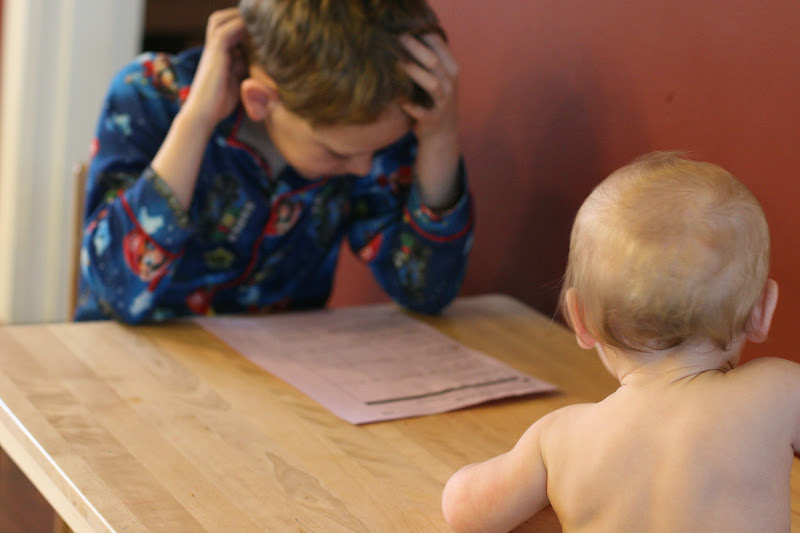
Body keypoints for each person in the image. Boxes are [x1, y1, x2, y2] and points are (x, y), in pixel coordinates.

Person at [441, 152, 800, 533]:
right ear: (761, 311)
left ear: (579, 319)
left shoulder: (561, 438)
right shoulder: (779, 393)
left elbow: (464, 510)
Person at [75, 0, 474, 323]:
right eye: (337, 153)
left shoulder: (373, 125)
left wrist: (439, 137)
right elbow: (115, 297)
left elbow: (425, 292)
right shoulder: (147, 95)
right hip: (130, 372)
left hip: (282, 376)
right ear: (261, 100)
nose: (364, 169)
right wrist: (195, 122)